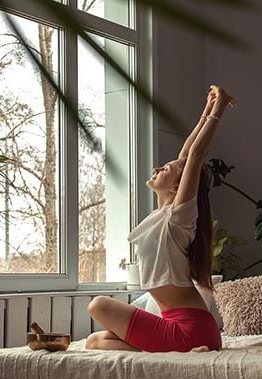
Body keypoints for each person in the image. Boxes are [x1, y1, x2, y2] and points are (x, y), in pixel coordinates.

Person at [85, 84, 235, 353]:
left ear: (177, 187)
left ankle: (178, 350)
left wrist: (220, 107)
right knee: (95, 342)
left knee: (98, 305)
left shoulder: (180, 217)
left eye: (165, 169)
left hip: (190, 328)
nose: (157, 168)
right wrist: (206, 109)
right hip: (182, 327)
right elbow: (186, 154)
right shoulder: (163, 216)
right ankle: (165, 354)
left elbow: (195, 157)